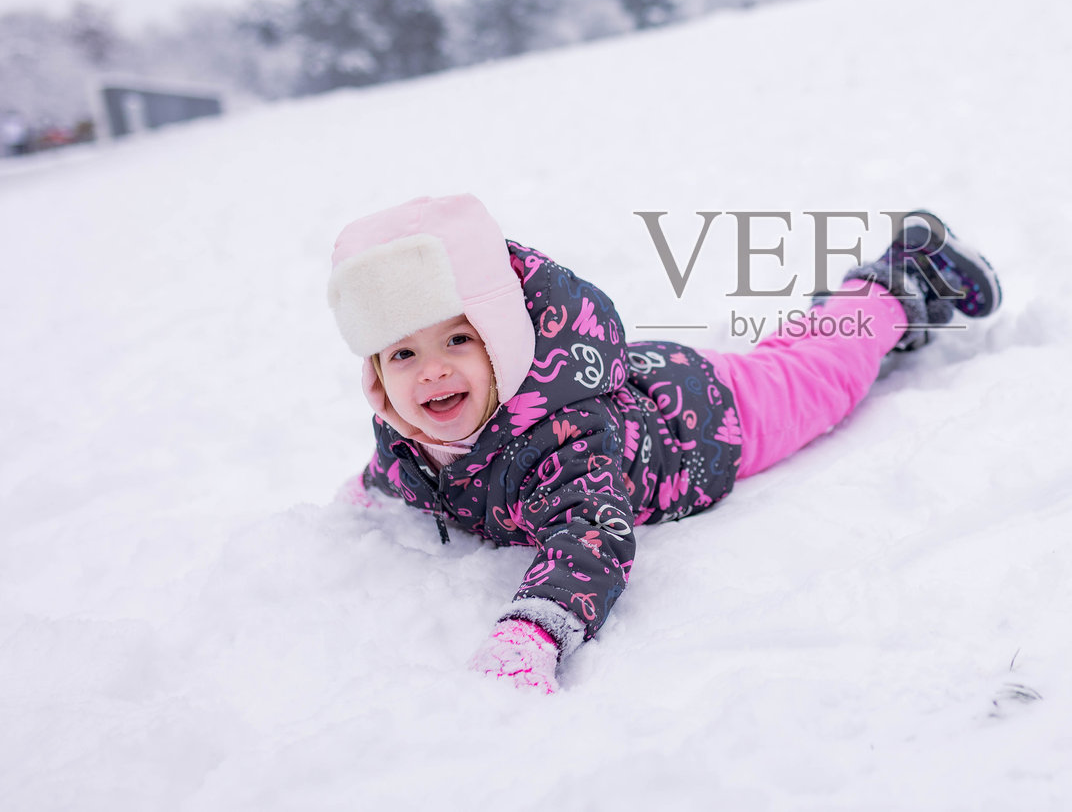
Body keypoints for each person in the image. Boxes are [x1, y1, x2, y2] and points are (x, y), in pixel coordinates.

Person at [328, 194, 1001, 693]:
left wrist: (533, 629)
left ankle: (898, 281)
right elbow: (394, 472)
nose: (434, 369)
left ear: (502, 339)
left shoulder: (566, 442)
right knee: (796, 354)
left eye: (457, 339)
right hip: (636, 384)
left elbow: (592, 538)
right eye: (405, 352)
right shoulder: (405, 434)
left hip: (709, 420)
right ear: (378, 375)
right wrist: (362, 497)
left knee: (818, 376)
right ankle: (867, 316)